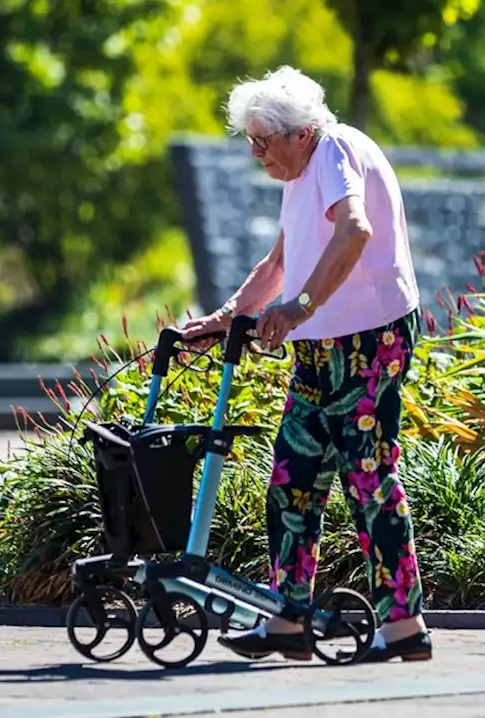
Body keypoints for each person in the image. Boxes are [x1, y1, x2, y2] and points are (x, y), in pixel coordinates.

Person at [179, 66, 431, 663]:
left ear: (301, 131)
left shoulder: (336, 149)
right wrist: (226, 317)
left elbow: (354, 231)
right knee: (292, 479)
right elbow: (280, 261)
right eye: (250, 140)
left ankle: (404, 629)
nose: (256, 152)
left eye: (265, 139)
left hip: (369, 340)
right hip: (319, 348)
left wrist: (299, 306)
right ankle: (287, 618)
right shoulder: (301, 172)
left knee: (368, 476)